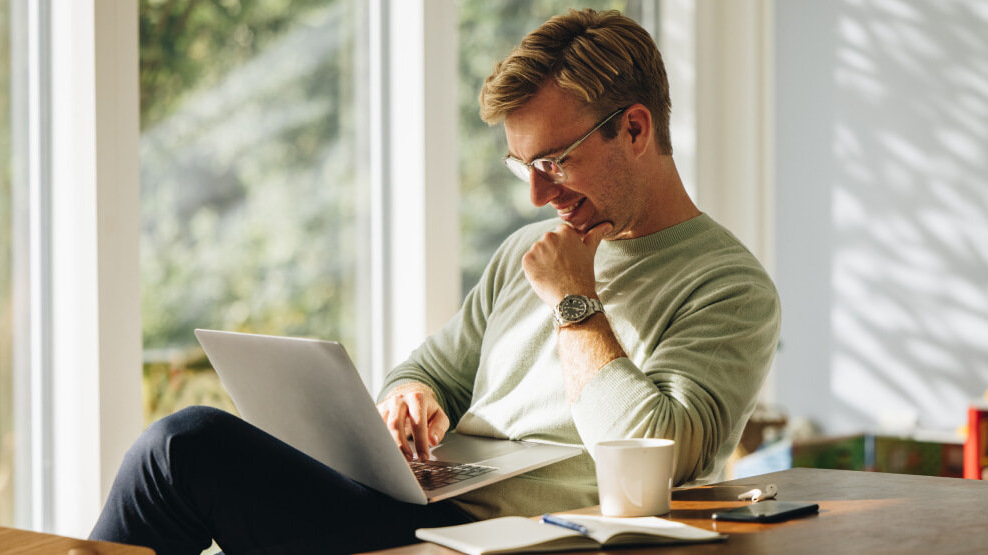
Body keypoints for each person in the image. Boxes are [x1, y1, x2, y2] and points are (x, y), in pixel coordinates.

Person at [90, 9, 781, 555]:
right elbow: (430, 368)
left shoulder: (729, 288)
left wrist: (574, 304)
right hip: (416, 510)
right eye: (523, 167)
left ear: (634, 128)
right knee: (180, 457)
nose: (539, 194)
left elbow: (651, 449)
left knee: (185, 448)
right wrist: (407, 398)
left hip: (524, 536)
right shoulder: (525, 252)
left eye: (557, 161)